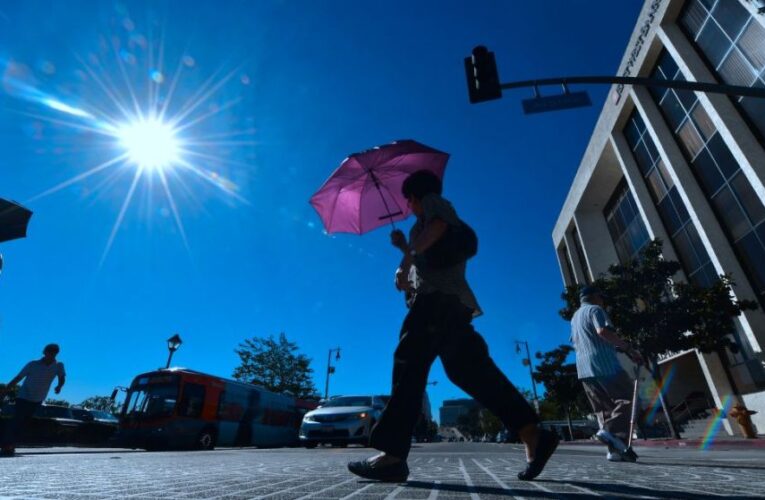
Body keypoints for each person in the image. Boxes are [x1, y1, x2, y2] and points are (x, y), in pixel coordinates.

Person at [347, 170, 558, 483]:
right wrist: (404, 272)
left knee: (408, 367)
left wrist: (407, 252)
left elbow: (440, 226)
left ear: (417, 196)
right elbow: (423, 267)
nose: (408, 205)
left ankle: (391, 456)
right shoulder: (421, 226)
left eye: (409, 199)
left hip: (435, 306)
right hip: (449, 306)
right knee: (469, 370)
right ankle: (531, 432)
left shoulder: (435, 205)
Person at [570, 286, 641, 462]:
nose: (603, 300)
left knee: (605, 410)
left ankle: (614, 451)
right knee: (628, 399)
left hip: (584, 368)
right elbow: (602, 331)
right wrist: (629, 349)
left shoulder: (575, 318)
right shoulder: (595, 310)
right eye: (601, 297)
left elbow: (575, 341)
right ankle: (609, 432)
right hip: (604, 364)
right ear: (594, 297)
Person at [0, 344, 66, 457]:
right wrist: (5, 391)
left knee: (23, 423)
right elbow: (18, 377)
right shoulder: (33, 364)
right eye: (49, 352)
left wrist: (59, 386)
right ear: (44, 352)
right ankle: (7, 446)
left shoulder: (59, 365)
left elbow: (62, 377)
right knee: (17, 420)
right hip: (23, 396)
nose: (51, 355)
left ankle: (10, 445)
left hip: (38, 399)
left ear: (56, 354)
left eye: (53, 353)